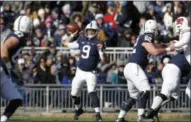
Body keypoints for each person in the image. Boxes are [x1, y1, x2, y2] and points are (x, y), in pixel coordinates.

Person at [115, 19, 172, 122]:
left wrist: (168, 46)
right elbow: (153, 51)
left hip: (130, 67)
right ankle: (141, 117)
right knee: (145, 89)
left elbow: (157, 46)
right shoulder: (148, 35)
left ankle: (120, 118)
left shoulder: (144, 37)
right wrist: (168, 49)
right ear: (153, 29)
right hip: (134, 67)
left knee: (133, 96)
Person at [142, 16, 191, 122]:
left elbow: (181, 44)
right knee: (165, 93)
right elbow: (183, 42)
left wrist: (174, 44)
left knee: (175, 96)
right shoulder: (186, 36)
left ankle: (154, 111)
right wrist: (173, 45)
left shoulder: (185, 43)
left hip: (172, 70)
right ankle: (147, 115)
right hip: (173, 69)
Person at [63, 21, 106, 122]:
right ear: (86, 31)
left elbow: (103, 60)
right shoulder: (81, 40)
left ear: (96, 32)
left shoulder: (99, 42)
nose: (90, 32)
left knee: (92, 92)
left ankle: (98, 114)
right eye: (89, 30)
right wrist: (71, 36)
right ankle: (79, 109)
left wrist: (103, 51)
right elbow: (66, 44)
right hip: (80, 71)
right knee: (73, 94)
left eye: (93, 30)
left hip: (91, 72)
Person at [0, 15, 32, 122]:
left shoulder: (20, 35)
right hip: (1, 69)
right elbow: (4, 47)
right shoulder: (19, 35)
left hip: (3, 74)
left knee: (16, 99)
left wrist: (11, 71)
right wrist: (9, 67)